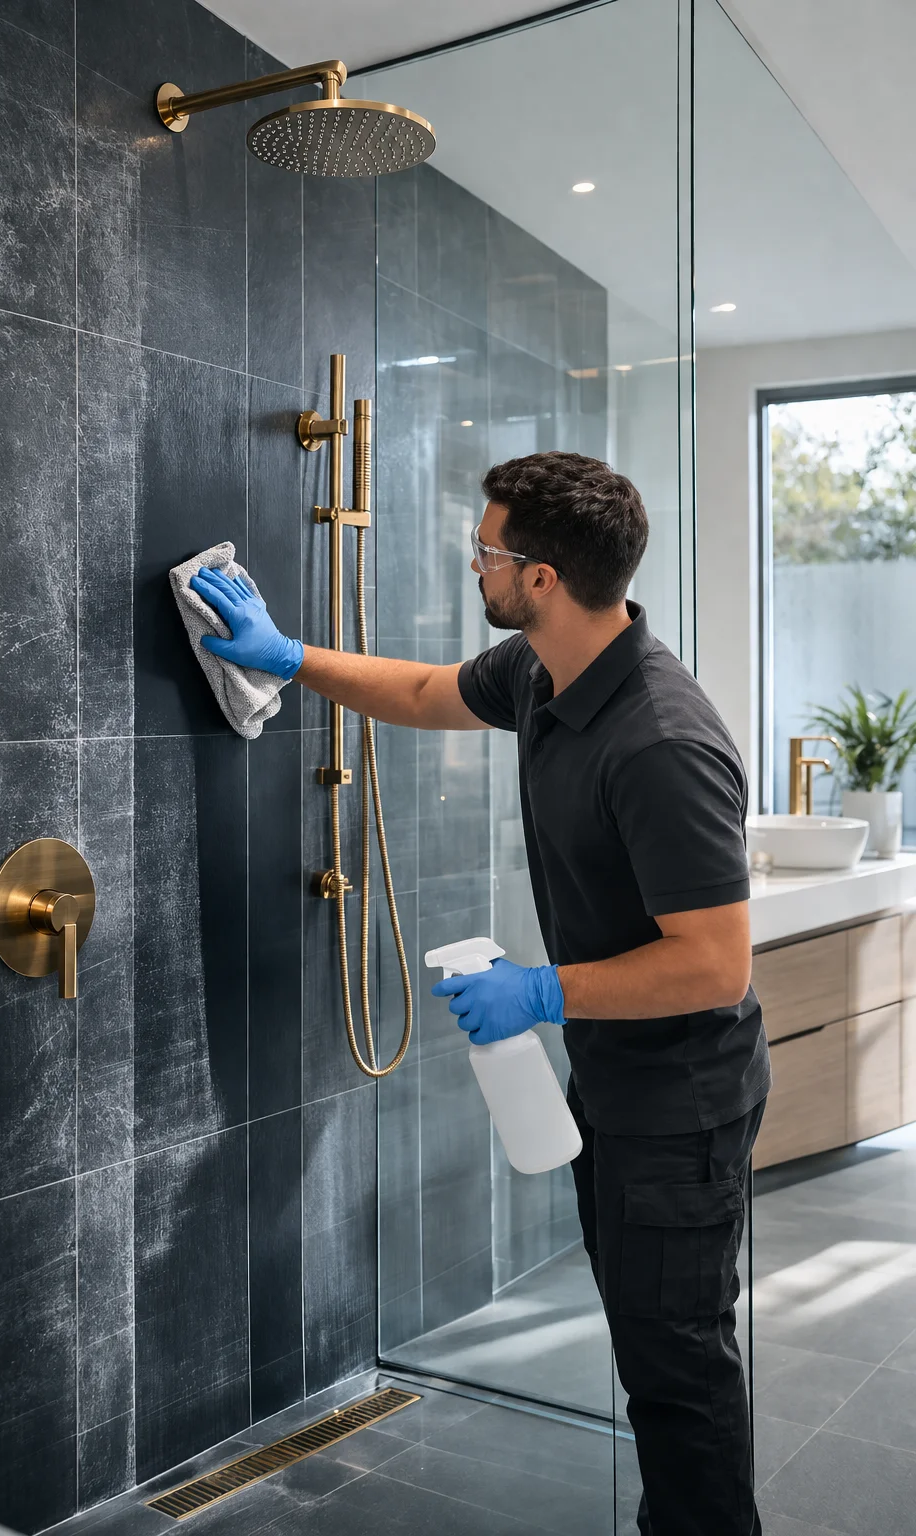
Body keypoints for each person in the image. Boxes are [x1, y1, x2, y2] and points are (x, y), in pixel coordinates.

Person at [190, 450, 769, 1536]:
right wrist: (285, 656)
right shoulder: (547, 674)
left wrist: (543, 993)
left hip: (680, 1102)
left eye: (489, 550)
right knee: (655, 1348)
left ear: (541, 577)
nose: (476, 563)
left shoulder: (659, 742)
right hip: (619, 1080)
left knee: (677, 1370)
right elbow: (422, 691)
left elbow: (713, 963)